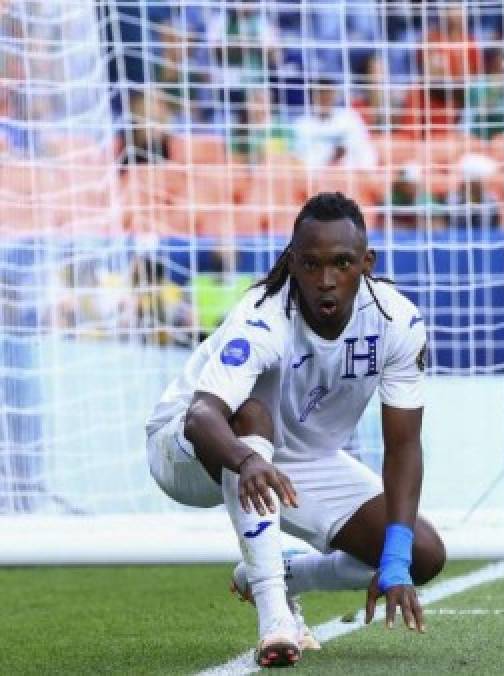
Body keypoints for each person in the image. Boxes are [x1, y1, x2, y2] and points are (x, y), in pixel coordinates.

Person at [144, 193, 446, 666]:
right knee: (252, 416)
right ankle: (275, 617)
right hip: (188, 448)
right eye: (310, 264)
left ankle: (284, 571)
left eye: (342, 264)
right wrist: (247, 459)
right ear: (292, 261)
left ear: (366, 262)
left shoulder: (396, 322)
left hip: (298, 459)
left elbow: (403, 445)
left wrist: (396, 559)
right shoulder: (264, 315)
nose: (326, 281)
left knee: (422, 553)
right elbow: (203, 414)